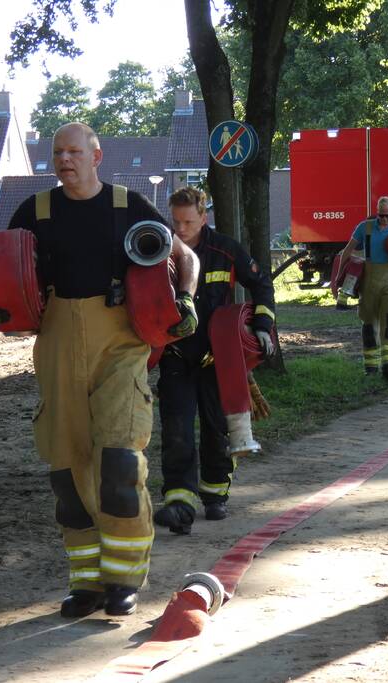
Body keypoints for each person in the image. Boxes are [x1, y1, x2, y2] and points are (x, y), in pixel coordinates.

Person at [0, 122, 200, 619]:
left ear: (97, 157)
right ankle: (87, 582)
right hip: (55, 341)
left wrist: (185, 298)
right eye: (58, 152)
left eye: (75, 151)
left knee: (119, 461)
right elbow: (0, 274)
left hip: (119, 341)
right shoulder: (34, 212)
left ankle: (124, 578)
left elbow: (186, 256)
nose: (65, 160)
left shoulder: (127, 207)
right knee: (67, 468)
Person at [151, 186, 276, 535]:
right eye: (175, 221)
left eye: (189, 221)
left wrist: (261, 326)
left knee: (216, 430)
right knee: (176, 428)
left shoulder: (225, 249)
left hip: (217, 360)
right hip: (176, 356)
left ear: (204, 216)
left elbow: (261, 284)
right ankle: (179, 503)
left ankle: (215, 494)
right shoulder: (161, 250)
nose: (181, 230)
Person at [332, 196, 388, 379]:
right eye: (380, 215)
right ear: (376, 211)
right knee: (369, 323)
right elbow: (347, 250)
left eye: (387, 215)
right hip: (369, 280)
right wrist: (338, 277)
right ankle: (370, 366)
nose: (384, 219)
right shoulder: (365, 227)